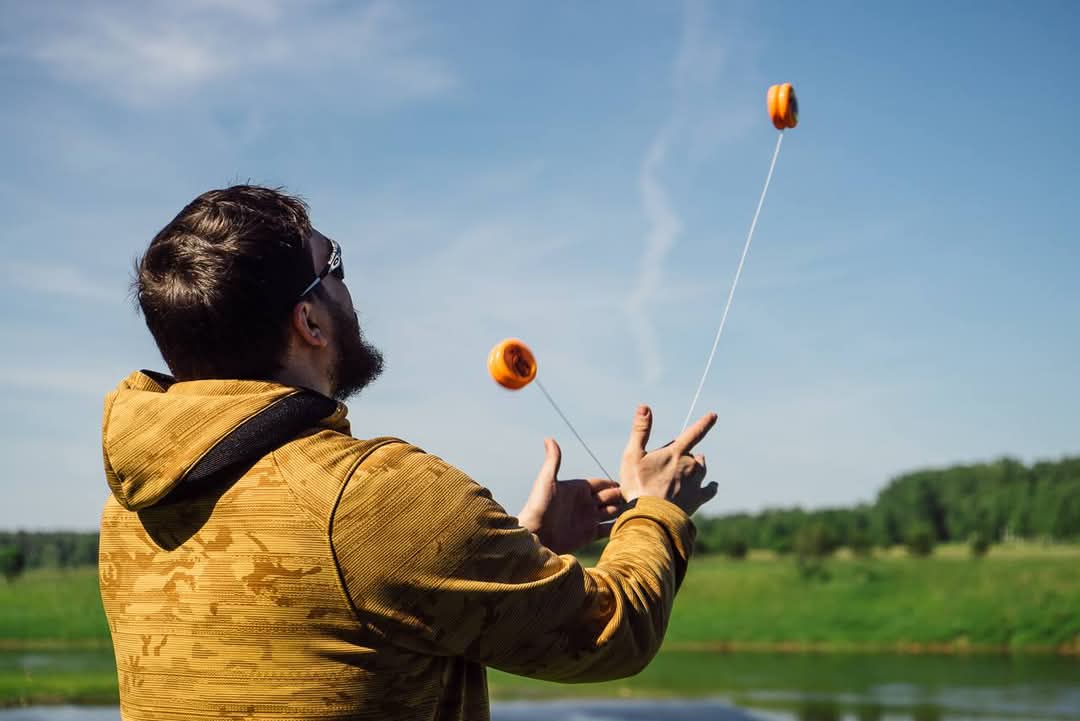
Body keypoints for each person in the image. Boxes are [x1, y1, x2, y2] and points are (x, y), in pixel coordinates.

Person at [99, 185, 718, 721]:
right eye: (333, 265)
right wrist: (654, 508)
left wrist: (524, 544)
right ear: (309, 322)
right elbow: (611, 631)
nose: (347, 284)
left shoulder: (128, 513)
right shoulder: (374, 497)